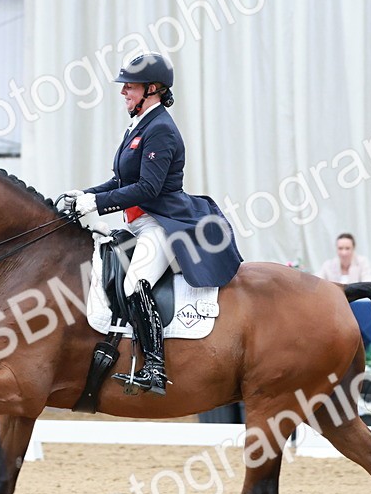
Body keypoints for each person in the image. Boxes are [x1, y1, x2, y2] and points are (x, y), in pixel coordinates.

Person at [57, 52, 242, 396]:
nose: (124, 91)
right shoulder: (139, 125)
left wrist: (95, 203)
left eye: (131, 85)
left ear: (152, 89)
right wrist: (83, 194)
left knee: (134, 283)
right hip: (137, 223)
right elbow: (119, 181)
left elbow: (147, 188)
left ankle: (155, 366)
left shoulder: (161, 130)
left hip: (161, 223)